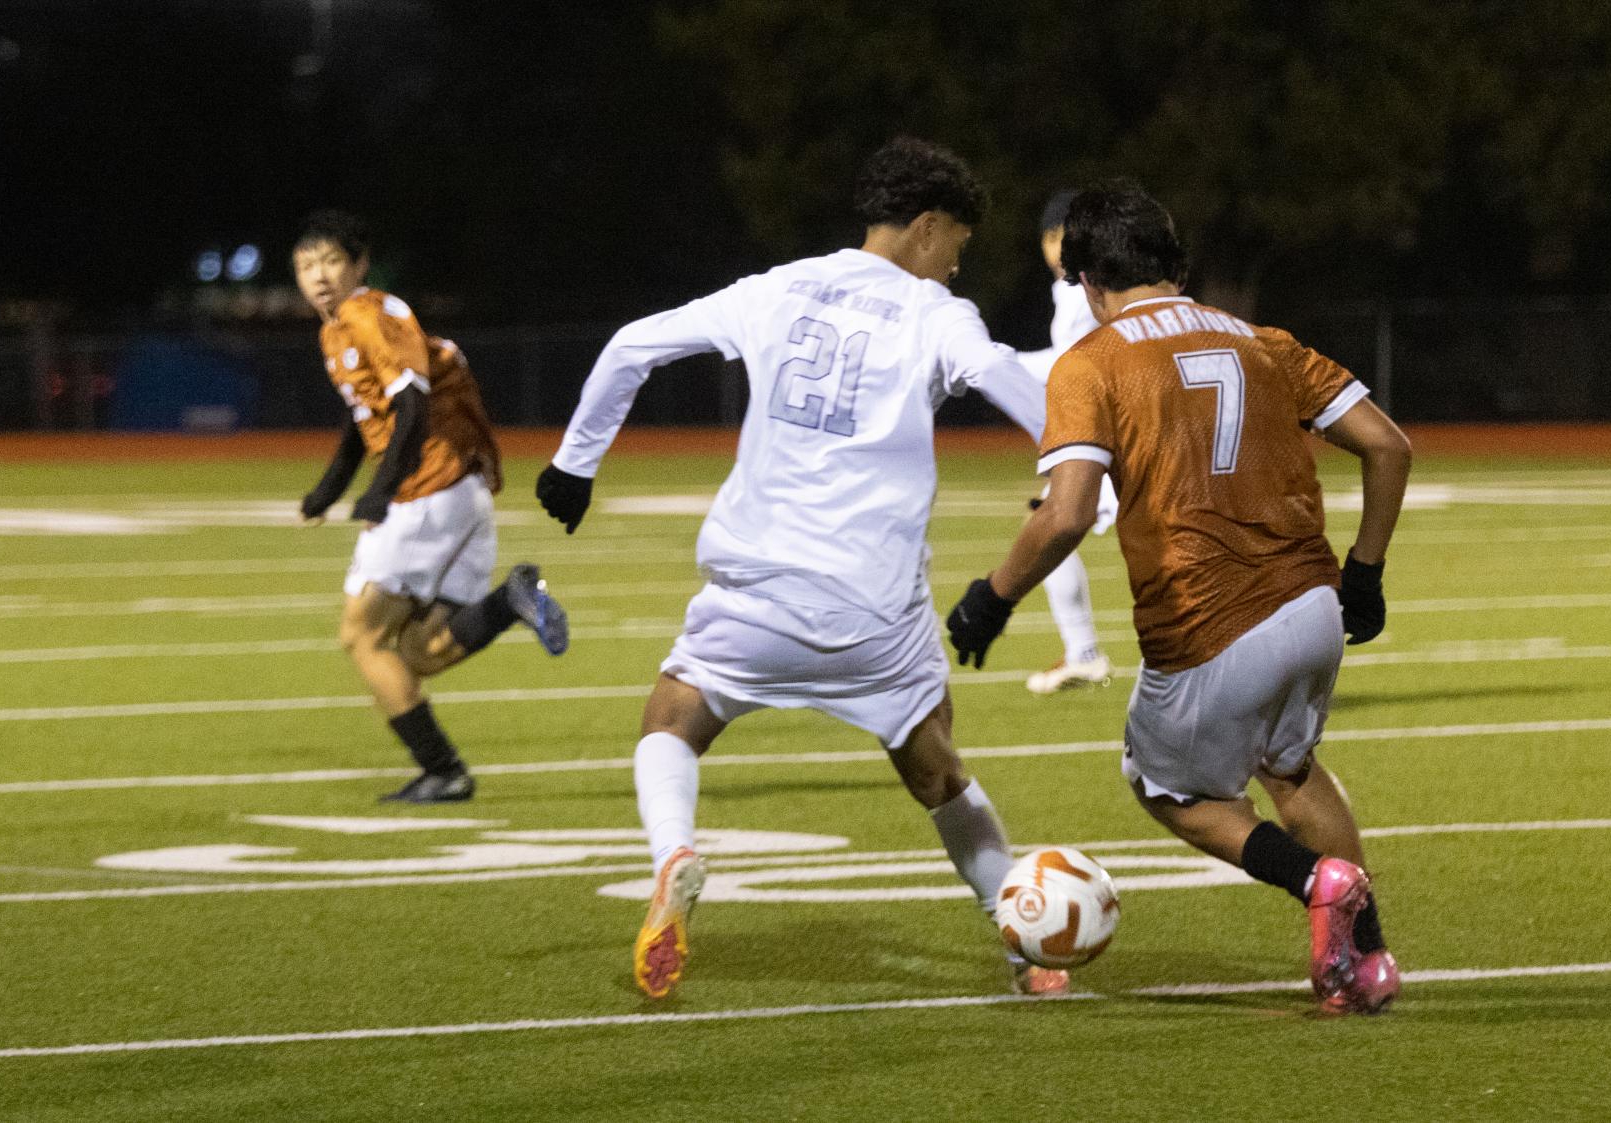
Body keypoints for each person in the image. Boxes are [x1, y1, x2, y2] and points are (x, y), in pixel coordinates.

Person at [534, 138, 1063, 1001]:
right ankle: (1025, 949)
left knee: (670, 720)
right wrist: (1077, 461)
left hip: (755, 590)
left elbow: (633, 345)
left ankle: (674, 853)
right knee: (937, 769)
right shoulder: (935, 314)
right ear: (926, 227)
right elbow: (1007, 382)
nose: (958, 265)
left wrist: (574, 464)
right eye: (957, 243)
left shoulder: (773, 288)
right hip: (873, 610)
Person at [945, 180, 1412, 1015]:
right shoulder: (1264, 341)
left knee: (1168, 787)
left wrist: (993, 595)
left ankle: (1318, 882)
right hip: (1312, 602)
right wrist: (1366, 570)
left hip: (1208, 617)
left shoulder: (1092, 361)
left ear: (1088, 282)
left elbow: (1068, 513)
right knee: (1290, 767)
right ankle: (1367, 958)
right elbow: (1387, 445)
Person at [293, 210, 569, 804]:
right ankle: (509, 601)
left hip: (428, 489)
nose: (319, 276)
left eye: (332, 261)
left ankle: (443, 770)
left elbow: (411, 406)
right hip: (460, 495)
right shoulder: (338, 327)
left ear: (359, 265)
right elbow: (365, 412)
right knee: (418, 653)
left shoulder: (366, 314)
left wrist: (379, 490)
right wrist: (332, 486)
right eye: (307, 265)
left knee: (362, 639)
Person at [1016, 190, 1121, 695]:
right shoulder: (1074, 288)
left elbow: (1069, 365)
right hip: (1106, 432)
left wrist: (993, 365)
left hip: (1118, 434)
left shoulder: (1088, 289)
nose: (1056, 249)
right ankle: (1082, 653)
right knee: (1049, 525)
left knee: (1052, 525)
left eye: (1064, 237)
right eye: (1050, 238)